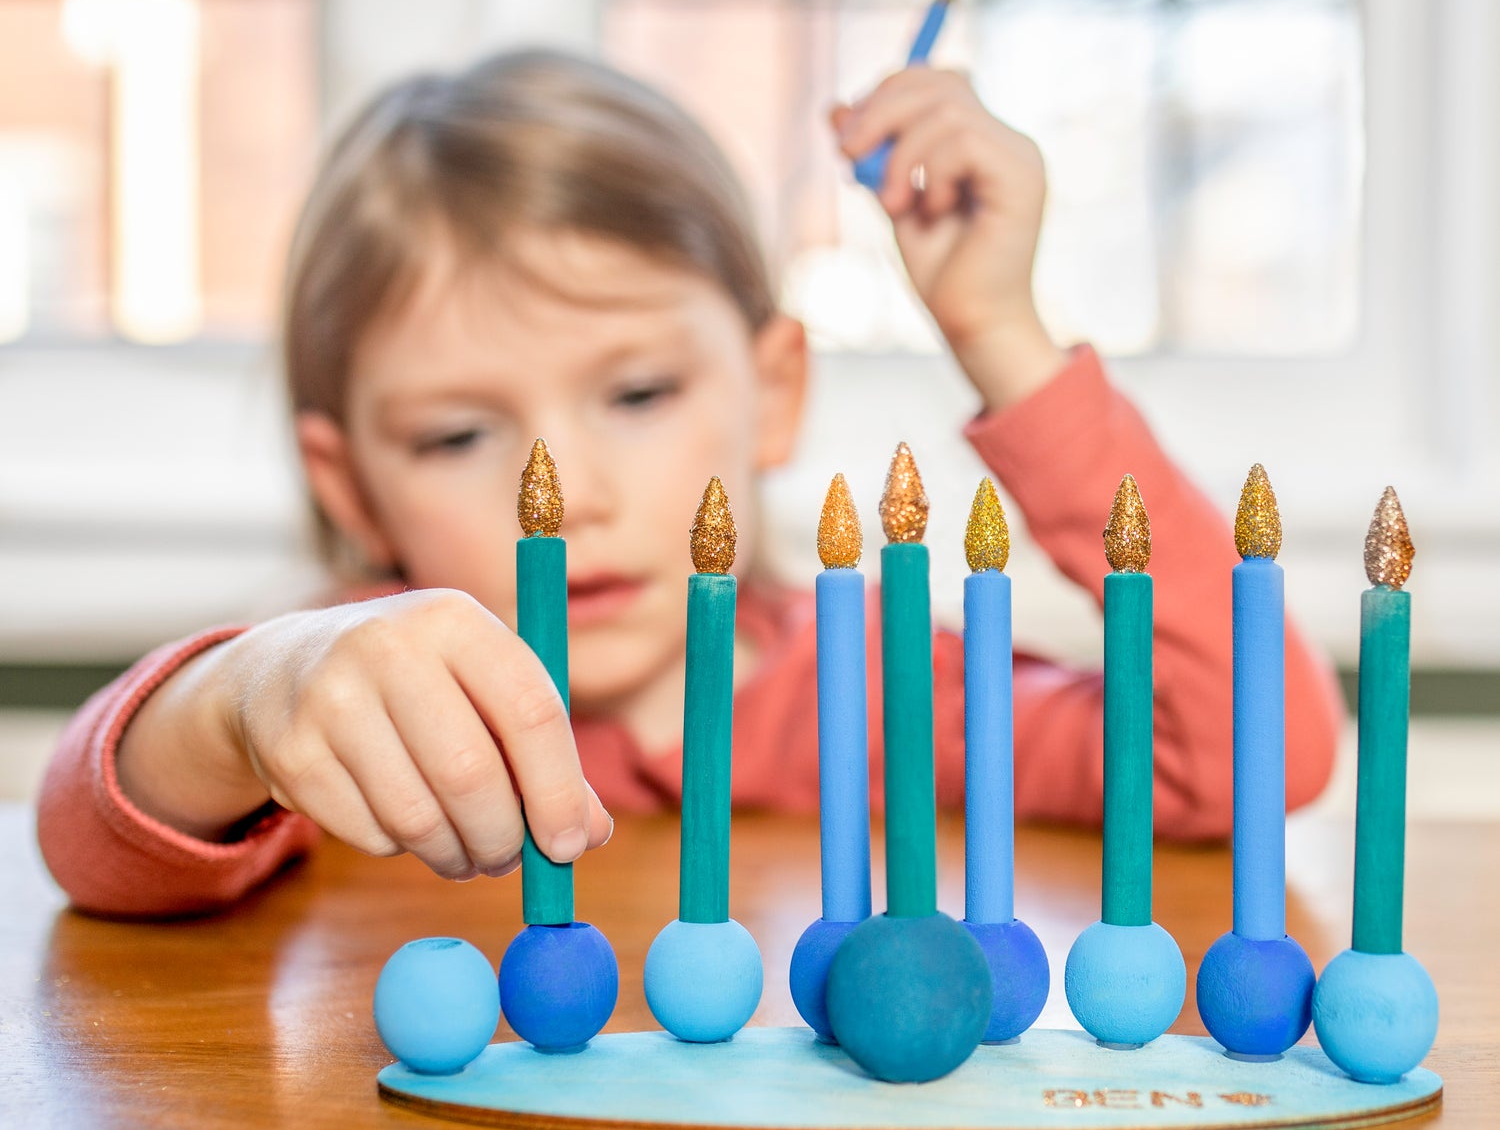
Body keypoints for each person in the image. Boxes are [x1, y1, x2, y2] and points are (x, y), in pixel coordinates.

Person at [37, 49, 1343, 918]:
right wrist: (241, 704)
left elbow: (1252, 753)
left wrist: (1004, 334)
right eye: (454, 438)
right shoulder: (356, 711)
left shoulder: (875, 693)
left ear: (774, 392)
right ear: (353, 484)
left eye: (640, 395)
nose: (572, 492)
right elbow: (88, 842)